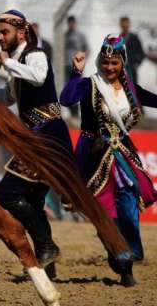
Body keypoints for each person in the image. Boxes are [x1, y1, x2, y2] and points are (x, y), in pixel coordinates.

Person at [0, 10, 74, 279]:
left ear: (21, 33)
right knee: (32, 199)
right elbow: (6, 97)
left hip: (48, 134)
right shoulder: (17, 60)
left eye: (5, 32)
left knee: (8, 194)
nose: (0, 37)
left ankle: (46, 247)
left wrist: (7, 63)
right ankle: (48, 259)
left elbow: (38, 77)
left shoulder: (35, 53)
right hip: (36, 134)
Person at [60, 34, 157, 286]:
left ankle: (130, 250)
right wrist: (75, 72)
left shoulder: (129, 87)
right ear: (100, 61)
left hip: (121, 151)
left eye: (114, 63)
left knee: (129, 196)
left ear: (123, 62)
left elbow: (152, 99)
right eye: (106, 62)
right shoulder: (90, 84)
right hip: (93, 152)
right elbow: (66, 99)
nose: (109, 68)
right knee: (103, 208)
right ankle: (121, 259)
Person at [120, 17, 145, 84]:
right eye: (123, 26)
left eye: (126, 25)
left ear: (129, 25)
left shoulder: (134, 38)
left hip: (132, 71)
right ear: (121, 26)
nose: (125, 27)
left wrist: (136, 64)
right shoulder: (117, 39)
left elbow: (142, 53)